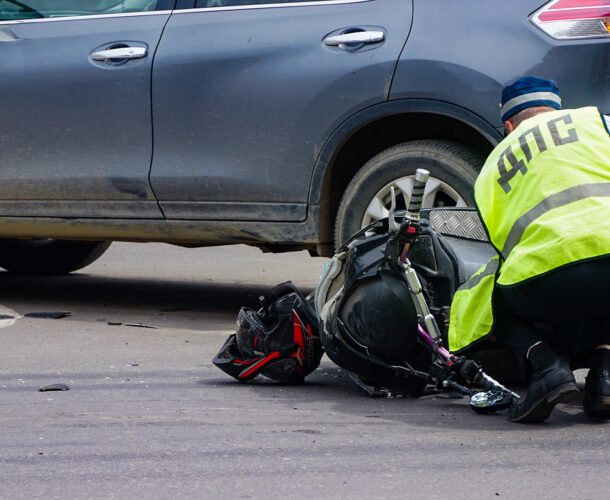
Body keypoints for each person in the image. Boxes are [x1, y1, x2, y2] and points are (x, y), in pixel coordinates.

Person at [447, 76, 610, 423]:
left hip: (551, 277)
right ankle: (603, 376)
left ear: (509, 124)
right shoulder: (598, 122)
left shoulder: (492, 166)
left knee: (492, 294)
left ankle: (547, 367)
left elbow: (503, 247)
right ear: (556, 109)